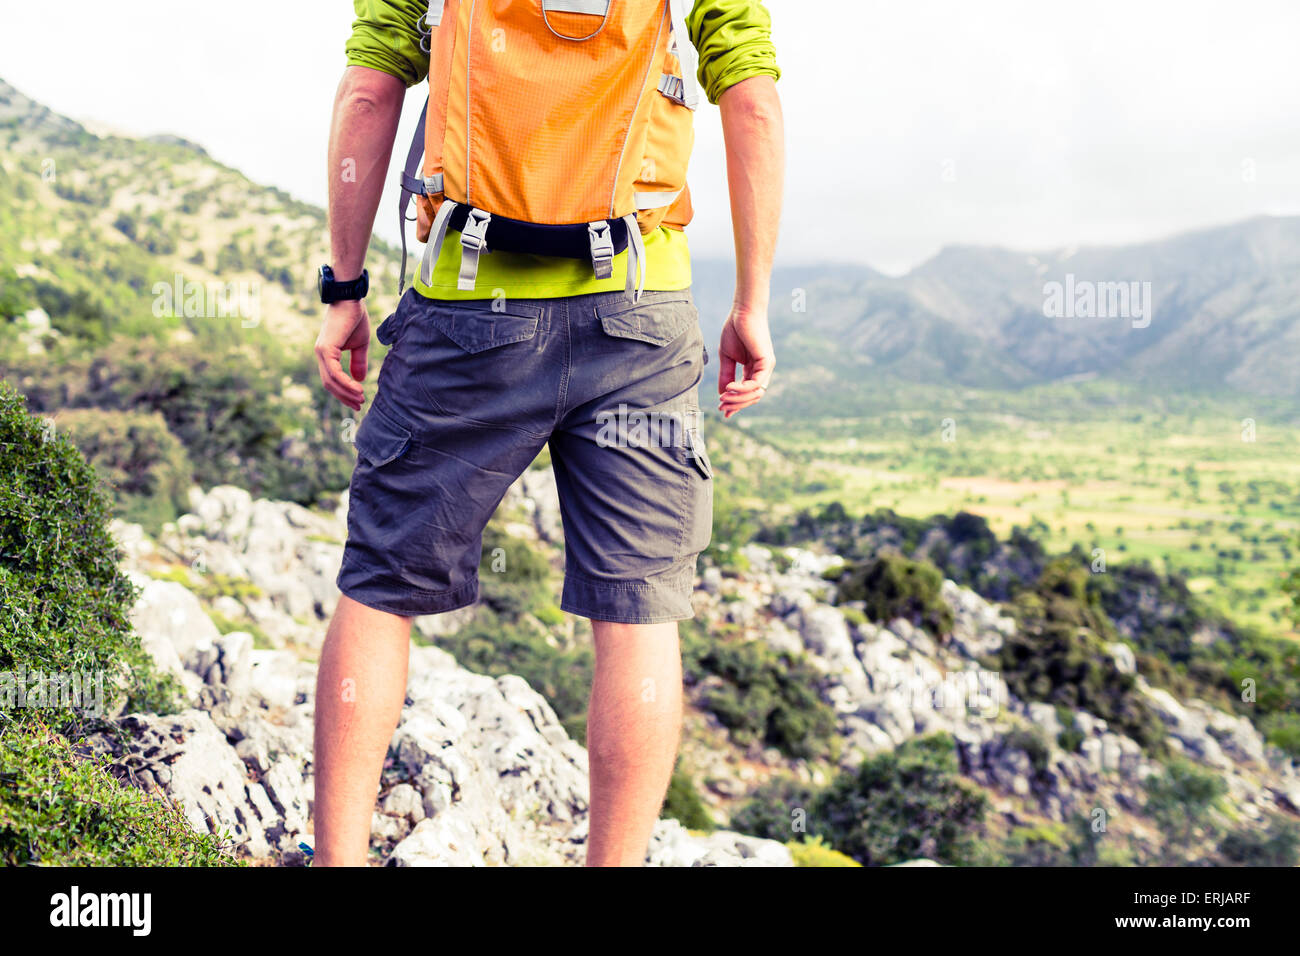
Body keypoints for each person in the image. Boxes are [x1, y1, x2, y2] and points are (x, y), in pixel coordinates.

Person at [311, 0, 783, 866]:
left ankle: (337, 862)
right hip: (641, 305)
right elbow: (749, 98)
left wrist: (344, 285)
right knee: (639, 609)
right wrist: (752, 303)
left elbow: (371, 92)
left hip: (469, 306)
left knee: (381, 588)